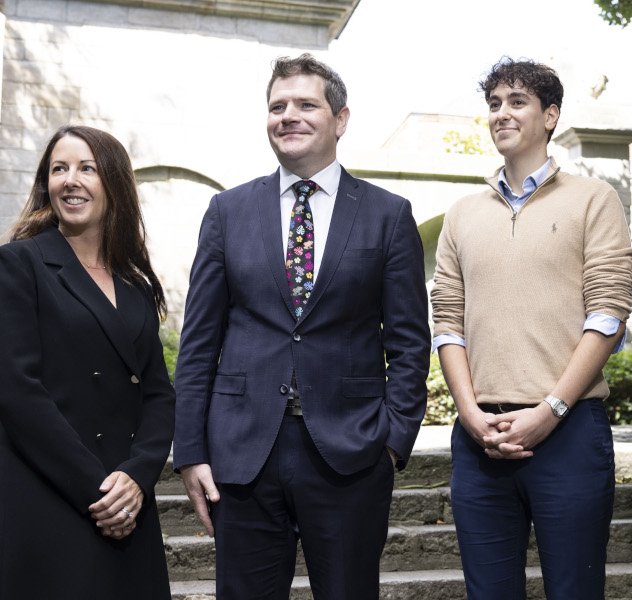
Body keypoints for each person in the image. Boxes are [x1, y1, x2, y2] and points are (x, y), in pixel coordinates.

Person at [173, 53, 430, 600]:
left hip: (351, 454)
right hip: (242, 455)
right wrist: (191, 450)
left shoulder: (389, 215)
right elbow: (198, 344)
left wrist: (392, 442)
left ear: (340, 118)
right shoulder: (227, 211)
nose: (287, 115)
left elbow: (408, 342)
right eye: (276, 106)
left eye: (305, 104)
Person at [431, 57, 632, 600]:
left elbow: (608, 315)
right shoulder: (462, 214)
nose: (501, 113)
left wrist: (550, 412)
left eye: (516, 102)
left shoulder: (595, 200)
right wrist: (470, 415)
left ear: (550, 116)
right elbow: (447, 321)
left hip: (569, 433)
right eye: (494, 104)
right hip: (480, 441)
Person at [0, 125, 175, 599]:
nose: (70, 180)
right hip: (52, 496)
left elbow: (158, 393)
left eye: (86, 168)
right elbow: (17, 392)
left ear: (113, 183)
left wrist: (137, 476)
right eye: (59, 169)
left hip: (128, 501)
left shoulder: (136, 284)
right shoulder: (19, 264)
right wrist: (99, 492)